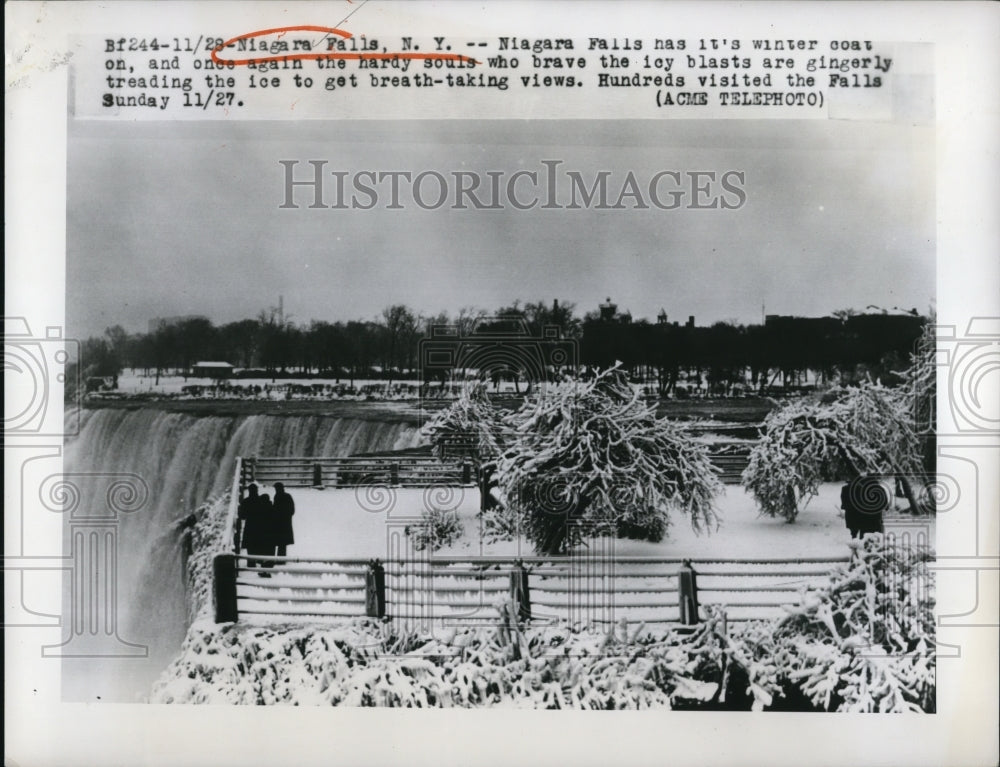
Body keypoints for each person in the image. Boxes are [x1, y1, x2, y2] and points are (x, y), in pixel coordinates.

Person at [238, 483, 275, 575]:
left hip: (250, 525)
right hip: (260, 526)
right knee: (258, 545)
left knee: (250, 545)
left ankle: (251, 563)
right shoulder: (261, 500)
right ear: (257, 490)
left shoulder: (246, 501)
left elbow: (242, 515)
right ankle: (259, 561)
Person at [841, 474, 888, 539]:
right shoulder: (878, 489)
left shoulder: (847, 489)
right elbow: (885, 504)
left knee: (856, 533)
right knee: (871, 534)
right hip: (874, 519)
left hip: (854, 517)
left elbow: (844, 504)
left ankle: (854, 541)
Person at [272, 482, 295, 558]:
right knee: (282, 543)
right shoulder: (286, 496)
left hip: (280, 522)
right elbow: (292, 510)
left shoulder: (279, 496)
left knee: (280, 542)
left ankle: (280, 559)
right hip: (285, 523)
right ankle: (281, 558)